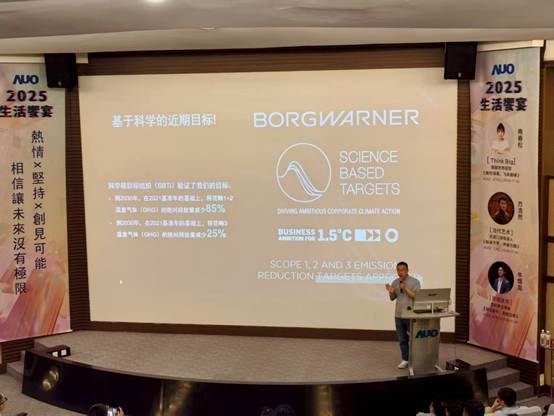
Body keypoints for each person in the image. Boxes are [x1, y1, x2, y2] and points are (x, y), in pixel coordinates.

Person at [385, 261, 421, 369]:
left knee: (414, 340)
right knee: (402, 339)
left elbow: (416, 296)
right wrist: (391, 292)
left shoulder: (415, 282)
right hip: (398, 315)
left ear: (407, 270)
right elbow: (392, 298)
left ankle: (416, 360)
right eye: (398, 270)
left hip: (411, 315)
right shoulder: (395, 282)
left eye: (402, 270)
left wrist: (404, 288)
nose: (400, 272)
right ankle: (405, 359)